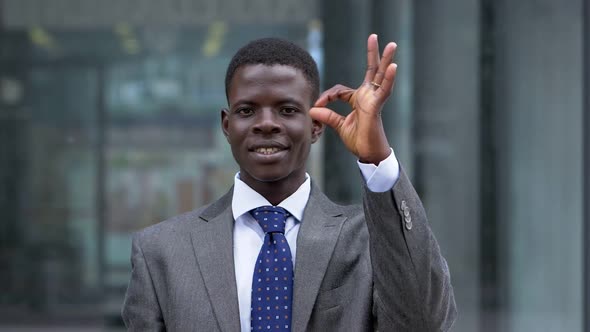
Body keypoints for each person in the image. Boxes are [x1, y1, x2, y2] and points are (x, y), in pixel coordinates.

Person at [122, 34, 457, 331]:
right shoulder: (161, 253)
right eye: (246, 111)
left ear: (316, 125)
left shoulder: (368, 240)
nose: (266, 124)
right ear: (227, 125)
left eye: (286, 110)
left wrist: (377, 159)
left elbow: (423, 323)